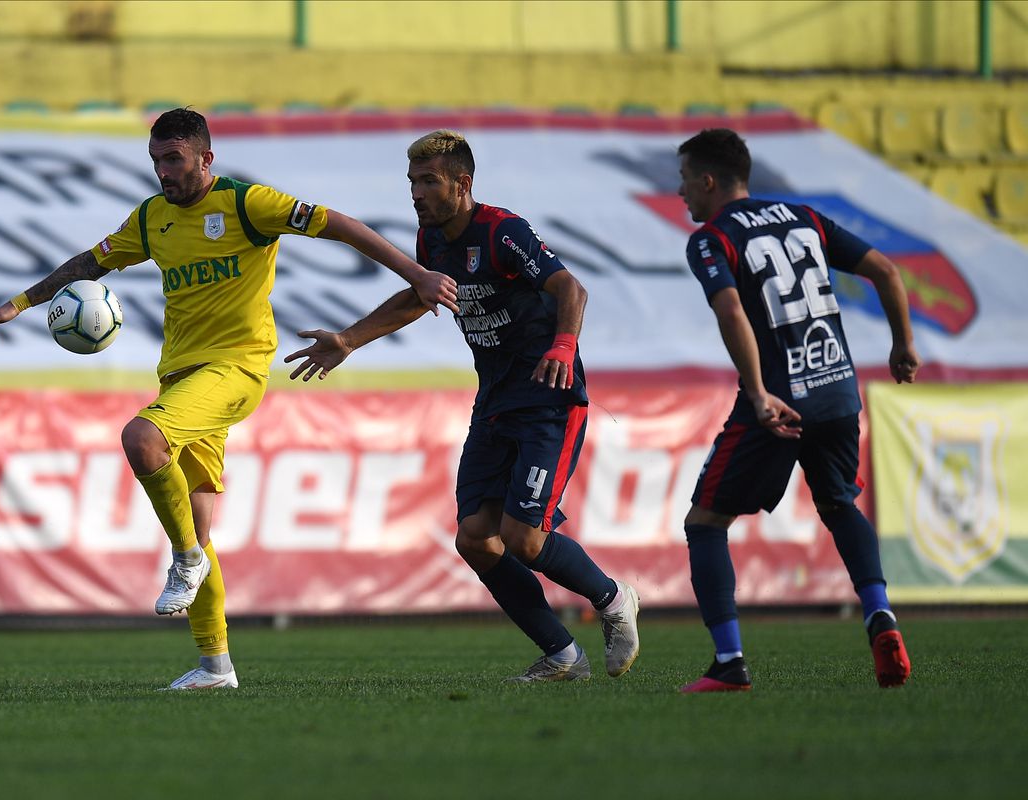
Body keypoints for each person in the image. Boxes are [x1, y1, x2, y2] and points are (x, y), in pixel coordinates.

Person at [0, 108, 458, 691]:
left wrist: (418, 274)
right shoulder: (153, 219)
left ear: (207, 158)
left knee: (142, 438)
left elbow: (340, 225)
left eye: (173, 159)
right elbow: (87, 262)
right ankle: (215, 666)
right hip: (180, 377)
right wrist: (17, 305)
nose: (163, 172)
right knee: (198, 526)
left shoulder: (247, 204)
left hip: (237, 368)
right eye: (155, 161)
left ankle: (183, 562)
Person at [284, 129, 640, 682]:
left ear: (462, 183)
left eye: (428, 181)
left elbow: (571, 289)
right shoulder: (433, 244)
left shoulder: (502, 231)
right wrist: (350, 340)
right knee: (475, 538)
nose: (416, 193)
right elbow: (417, 295)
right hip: (495, 401)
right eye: (412, 182)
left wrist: (563, 345)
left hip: (547, 396)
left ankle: (615, 600)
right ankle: (563, 656)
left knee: (525, 539)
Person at [675, 127, 918, 692]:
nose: (681, 192)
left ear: (709, 181)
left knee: (705, 522)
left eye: (685, 180)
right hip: (837, 385)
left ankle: (730, 662)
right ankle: (879, 613)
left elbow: (732, 311)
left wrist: (758, 393)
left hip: (779, 398)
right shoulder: (803, 216)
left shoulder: (712, 239)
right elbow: (887, 270)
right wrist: (903, 344)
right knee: (838, 502)